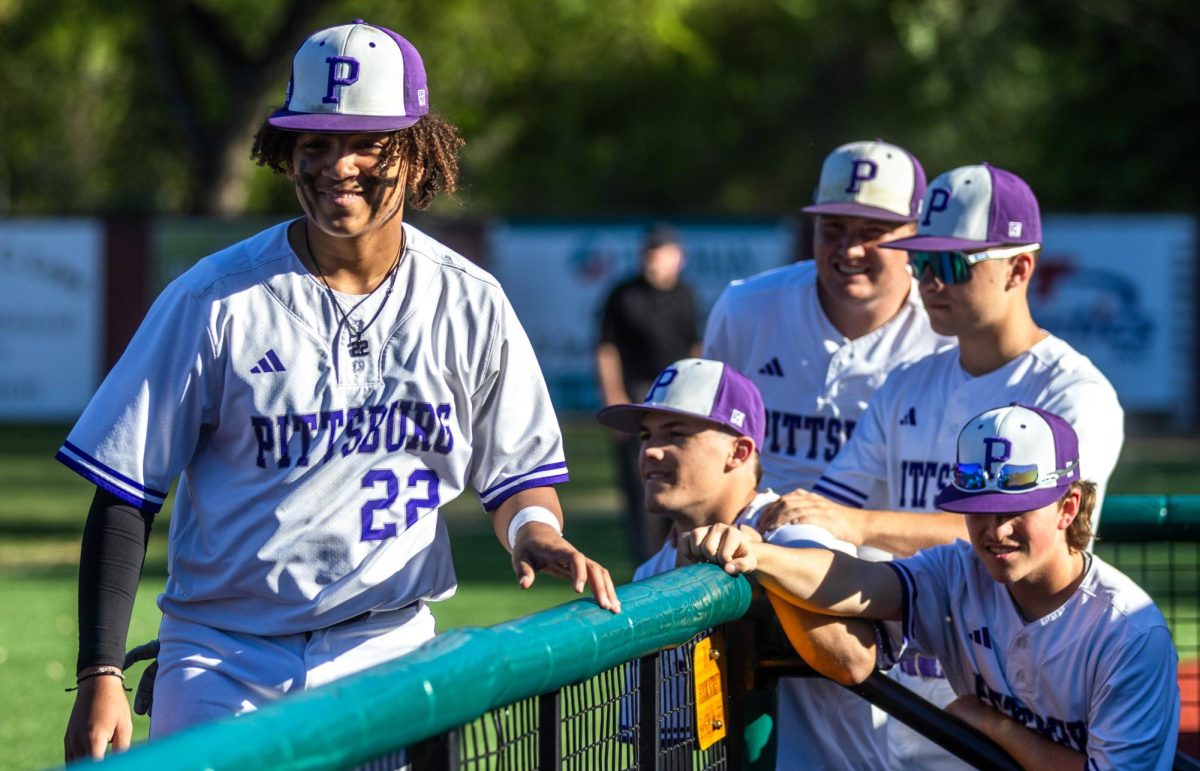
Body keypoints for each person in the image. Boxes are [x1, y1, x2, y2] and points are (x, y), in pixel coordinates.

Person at [60, 20, 618, 762]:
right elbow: (126, 491)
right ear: (286, 152)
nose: (338, 165)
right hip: (225, 655)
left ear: (416, 155)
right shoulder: (215, 299)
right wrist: (100, 668)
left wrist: (534, 533)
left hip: (387, 645)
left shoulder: (469, 301)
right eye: (315, 143)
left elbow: (517, 476)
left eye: (366, 142)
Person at [760, 163, 1125, 767]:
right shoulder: (907, 384)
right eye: (922, 261)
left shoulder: (1072, 393)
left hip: (1022, 705)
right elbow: (824, 513)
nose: (929, 280)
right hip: (905, 701)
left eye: (953, 264)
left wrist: (859, 525)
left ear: (1020, 268)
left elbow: (1027, 536)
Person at [681, 404, 1180, 770]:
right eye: (979, 511)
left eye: (1013, 510)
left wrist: (993, 725)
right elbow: (854, 581)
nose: (995, 531)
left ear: (1068, 507)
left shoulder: (1127, 632)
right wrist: (759, 555)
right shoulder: (959, 570)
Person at [702, 139, 950, 767]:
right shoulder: (746, 307)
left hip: (891, 601)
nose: (850, 249)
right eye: (833, 228)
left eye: (875, 231)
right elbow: (703, 447)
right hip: (751, 580)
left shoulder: (945, 335)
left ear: (916, 235)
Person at [597, 358, 888, 765]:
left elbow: (853, 659)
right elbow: (666, 749)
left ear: (739, 452)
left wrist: (760, 565)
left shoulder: (793, 533)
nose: (650, 450)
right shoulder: (652, 573)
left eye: (676, 434)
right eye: (646, 435)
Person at [596, 224, 701, 562]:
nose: (654, 260)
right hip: (637, 402)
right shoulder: (623, 294)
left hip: (678, 405)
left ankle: (680, 557)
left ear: (678, 258)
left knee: (682, 483)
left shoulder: (686, 295)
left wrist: (699, 401)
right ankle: (647, 564)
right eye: (650, 253)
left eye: (662, 253)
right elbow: (606, 349)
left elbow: (696, 348)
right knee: (641, 491)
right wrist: (614, 396)